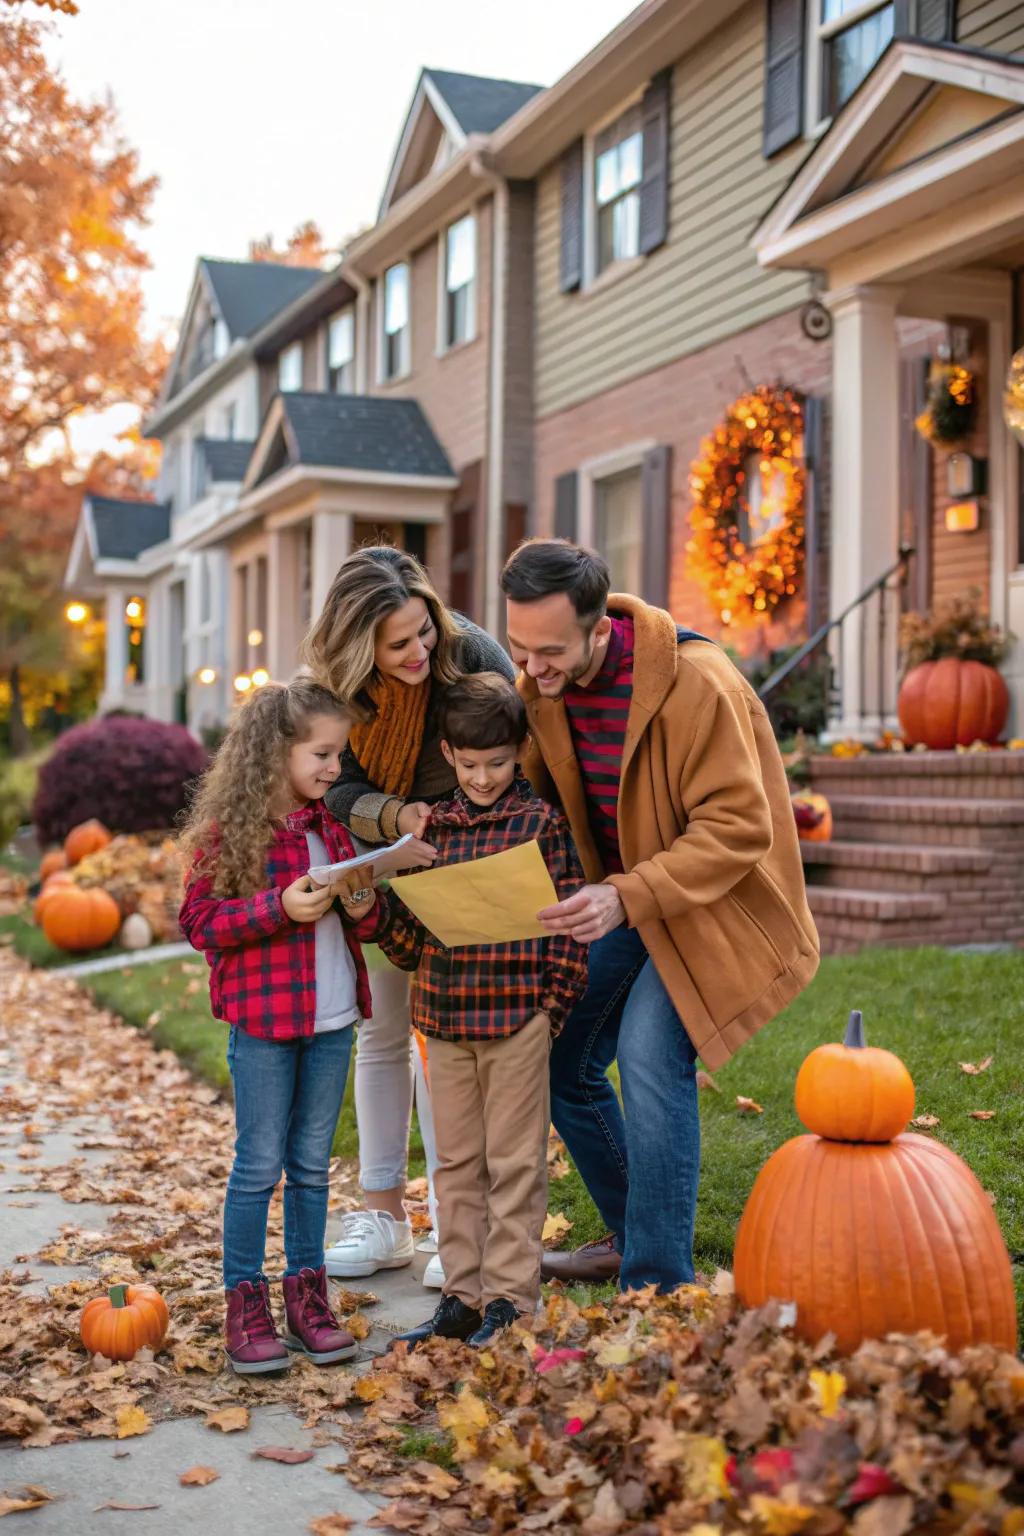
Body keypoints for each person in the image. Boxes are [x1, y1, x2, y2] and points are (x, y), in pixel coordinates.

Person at [500, 539, 820, 1293]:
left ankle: (658, 1280)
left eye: (548, 651)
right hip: (629, 903)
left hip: (713, 907)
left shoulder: (697, 684)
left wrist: (621, 896)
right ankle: (631, 1232)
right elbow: (533, 795)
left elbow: (740, 828)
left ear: (599, 631)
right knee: (557, 1057)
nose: (531, 670)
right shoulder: (545, 687)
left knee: (648, 1056)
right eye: (519, 648)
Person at [302, 545, 514, 1286]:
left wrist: (455, 821)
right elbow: (329, 787)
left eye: (423, 631)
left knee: (443, 1041)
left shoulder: (469, 653)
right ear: (360, 646)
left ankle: (456, 1228)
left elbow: (512, 746)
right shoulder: (330, 692)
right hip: (375, 866)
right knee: (382, 1034)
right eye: (398, 644)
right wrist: (394, 813)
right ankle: (385, 1216)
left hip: (463, 865)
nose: (419, 650)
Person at [178, 680, 389, 1375]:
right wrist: (278, 908)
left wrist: (361, 903)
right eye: (323, 753)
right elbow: (201, 923)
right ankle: (245, 1303)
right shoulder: (228, 836)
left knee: (309, 1167)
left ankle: (307, 1298)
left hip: (331, 1023)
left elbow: (368, 921)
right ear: (275, 753)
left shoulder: (332, 828)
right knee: (258, 1166)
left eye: (339, 753)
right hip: (265, 1025)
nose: (335, 767)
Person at [374, 673, 588, 1348]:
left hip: (517, 1018)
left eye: (497, 763)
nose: (485, 777)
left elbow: (570, 927)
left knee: (516, 1164)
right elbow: (408, 942)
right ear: (449, 754)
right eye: (469, 765)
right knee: (455, 1165)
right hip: (442, 1018)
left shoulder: (540, 826)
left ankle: (510, 1304)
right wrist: (370, 906)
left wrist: (549, 1010)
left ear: (519, 751)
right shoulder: (431, 831)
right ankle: (462, 1299)